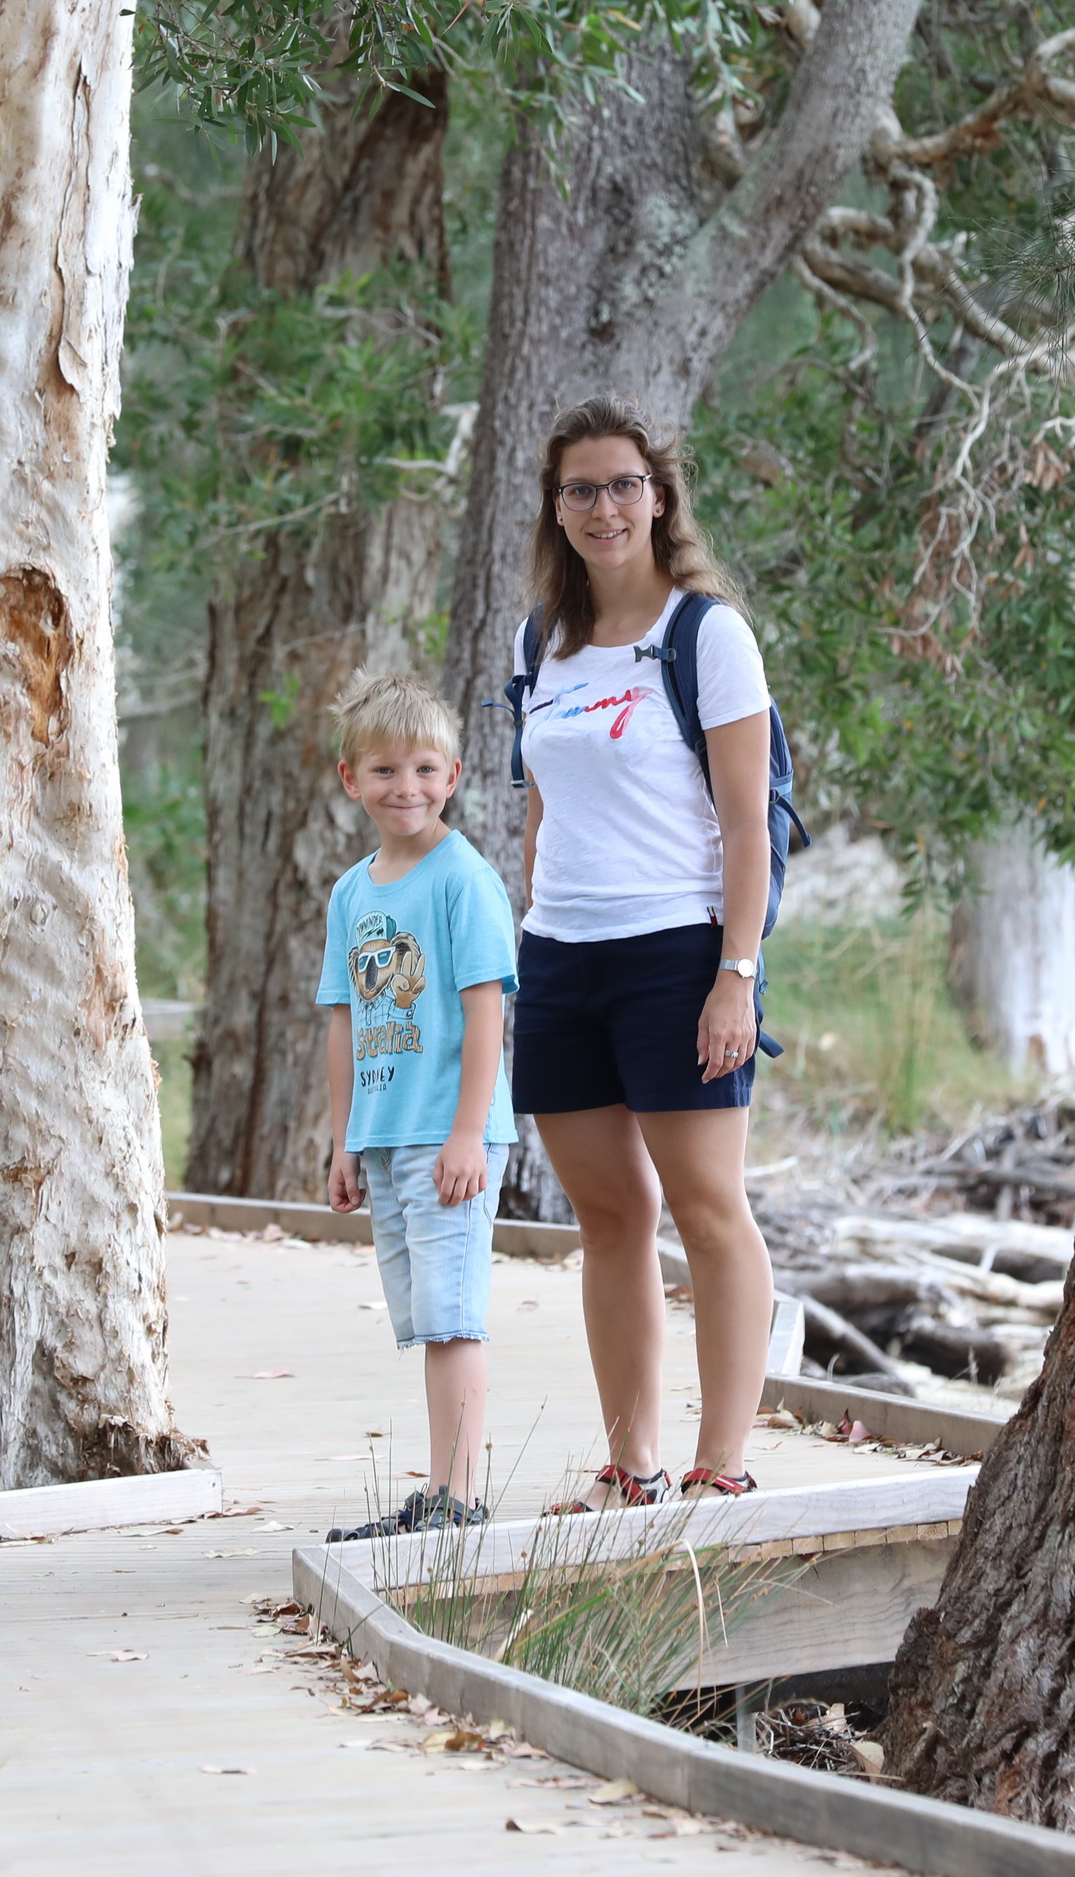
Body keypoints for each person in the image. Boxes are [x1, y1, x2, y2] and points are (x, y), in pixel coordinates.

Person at [507, 399, 779, 1512]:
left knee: (708, 1206)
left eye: (623, 484)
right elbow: (537, 803)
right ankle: (633, 1467)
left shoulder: (705, 633)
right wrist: (534, 930)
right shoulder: (539, 640)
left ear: (658, 497)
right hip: (563, 959)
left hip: (678, 951)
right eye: (581, 489)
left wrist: (735, 973)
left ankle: (724, 1463)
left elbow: (748, 823)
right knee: (610, 1217)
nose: (604, 506)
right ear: (557, 508)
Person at [314, 671, 521, 1542]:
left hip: (450, 1135)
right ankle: (442, 1494)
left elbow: (486, 1012)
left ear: (456, 775)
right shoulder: (353, 893)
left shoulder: (461, 880)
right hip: (389, 1135)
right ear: (350, 778)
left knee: (453, 1315)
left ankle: (458, 1501)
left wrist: (470, 1130)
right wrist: (344, 1143)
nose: (408, 789)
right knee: (426, 1321)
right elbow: (343, 1022)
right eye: (388, 771)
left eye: (426, 770)